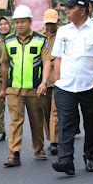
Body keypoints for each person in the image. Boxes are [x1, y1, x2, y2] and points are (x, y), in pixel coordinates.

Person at [51, 0, 93, 175]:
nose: (67, 11)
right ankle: (66, 160)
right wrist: (57, 83)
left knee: (90, 121)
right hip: (66, 86)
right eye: (66, 8)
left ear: (83, 10)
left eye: (71, 8)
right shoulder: (63, 31)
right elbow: (58, 59)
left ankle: (90, 157)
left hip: (90, 85)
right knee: (66, 123)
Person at [0, 5, 51, 167]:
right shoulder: (8, 41)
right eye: (17, 22)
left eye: (22, 22)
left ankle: (39, 148)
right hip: (14, 90)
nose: (19, 25)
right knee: (15, 121)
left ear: (30, 22)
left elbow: (46, 62)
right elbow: (5, 66)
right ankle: (14, 153)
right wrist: (3, 89)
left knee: (37, 120)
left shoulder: (41, 40)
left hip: (35, 89)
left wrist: (44, 82)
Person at [39, 9, 59, 155]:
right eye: (48, 24)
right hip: (43, 78)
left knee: (55, 110)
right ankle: (50, 136)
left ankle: (54, 141)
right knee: (44, 110)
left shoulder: (63, 35)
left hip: (59, 76)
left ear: (57, 22)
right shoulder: (39, 36)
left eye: (52, 23)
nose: (50, 27)